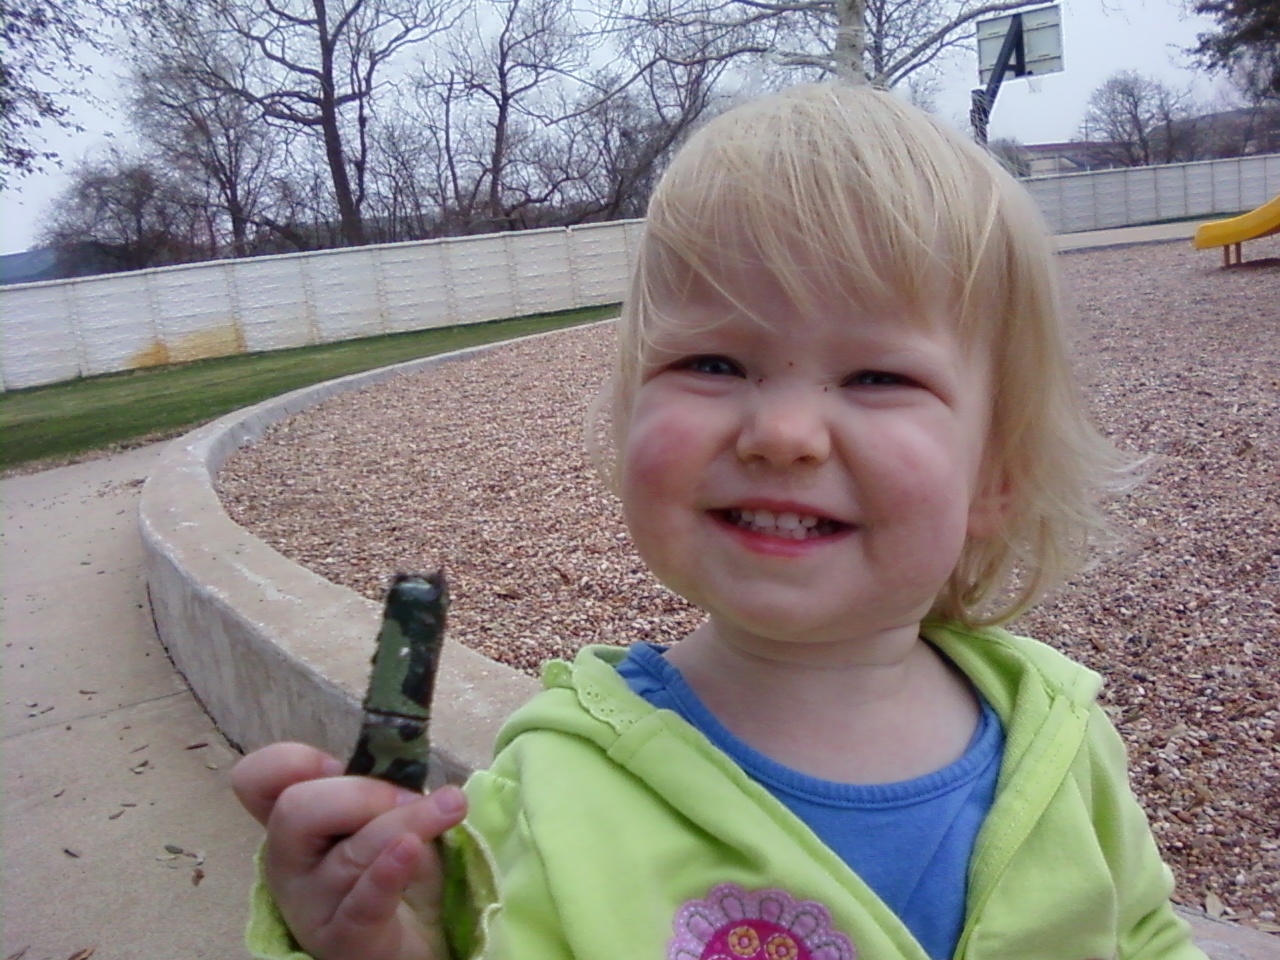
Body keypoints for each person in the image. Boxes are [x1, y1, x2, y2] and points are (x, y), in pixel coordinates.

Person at [232, 83, 1206, 960]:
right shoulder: (555, 793)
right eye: (711, 364)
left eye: (876, 376)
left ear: (995, 475)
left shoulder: (1061, 741)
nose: (781, 433)